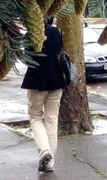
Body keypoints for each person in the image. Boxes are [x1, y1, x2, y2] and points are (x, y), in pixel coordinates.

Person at [21, 16, 67, 173]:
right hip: (57, 81)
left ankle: (44, 151)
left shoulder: (31, 34)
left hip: (37, 82)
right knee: (51, 120)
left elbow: (27, 60)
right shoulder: (57, 32)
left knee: (35, 117)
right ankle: (50, 162)